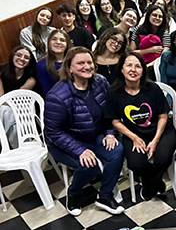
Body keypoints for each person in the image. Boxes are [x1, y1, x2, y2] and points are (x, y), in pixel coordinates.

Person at [44, 47, 125, 216]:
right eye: (81, 63)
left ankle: (104, 195)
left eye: (89, 62)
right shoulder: (57, 96)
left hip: (94, 135)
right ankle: (73, 194)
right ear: (69, 68)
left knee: (117, 151)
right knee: (89, 165)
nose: (87, 66)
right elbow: (54, 132)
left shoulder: (100, 81)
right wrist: (80, 150)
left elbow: (111, 110)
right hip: (65, 143)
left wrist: (110, 132)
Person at [105, 52, 176, 201]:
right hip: (133, 133)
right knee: (136, 164)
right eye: (129, 65)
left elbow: (163, 116)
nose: (133, 70)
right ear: (122, 69)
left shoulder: (153, 88)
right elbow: (115, 120)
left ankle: (150, 186)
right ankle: (154, 182)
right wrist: (134, 137)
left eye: (138, 66)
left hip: (161, 131)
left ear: (143, 70)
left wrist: (155, 140)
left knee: (162, 158)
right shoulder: (114, 92)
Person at [0, 46, 38, 148]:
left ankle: (21, 144)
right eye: (19, 55)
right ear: (13, 55)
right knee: (5, 111)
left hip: (21, 107)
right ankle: (20, 146)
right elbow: (1, 98)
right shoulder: (1, 71)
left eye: (26, 57)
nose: (22, 59)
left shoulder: (31, 78)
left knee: (15, 112)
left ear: (29, 62)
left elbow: (18, 98)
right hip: (4, 107)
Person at [37, 29, 73, 95]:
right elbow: (48, 91)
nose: (58, 42)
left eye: (62, 40)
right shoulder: (42, 64)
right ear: (49, 43)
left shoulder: (73, 61)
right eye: (54, 39)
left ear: (67, 44)